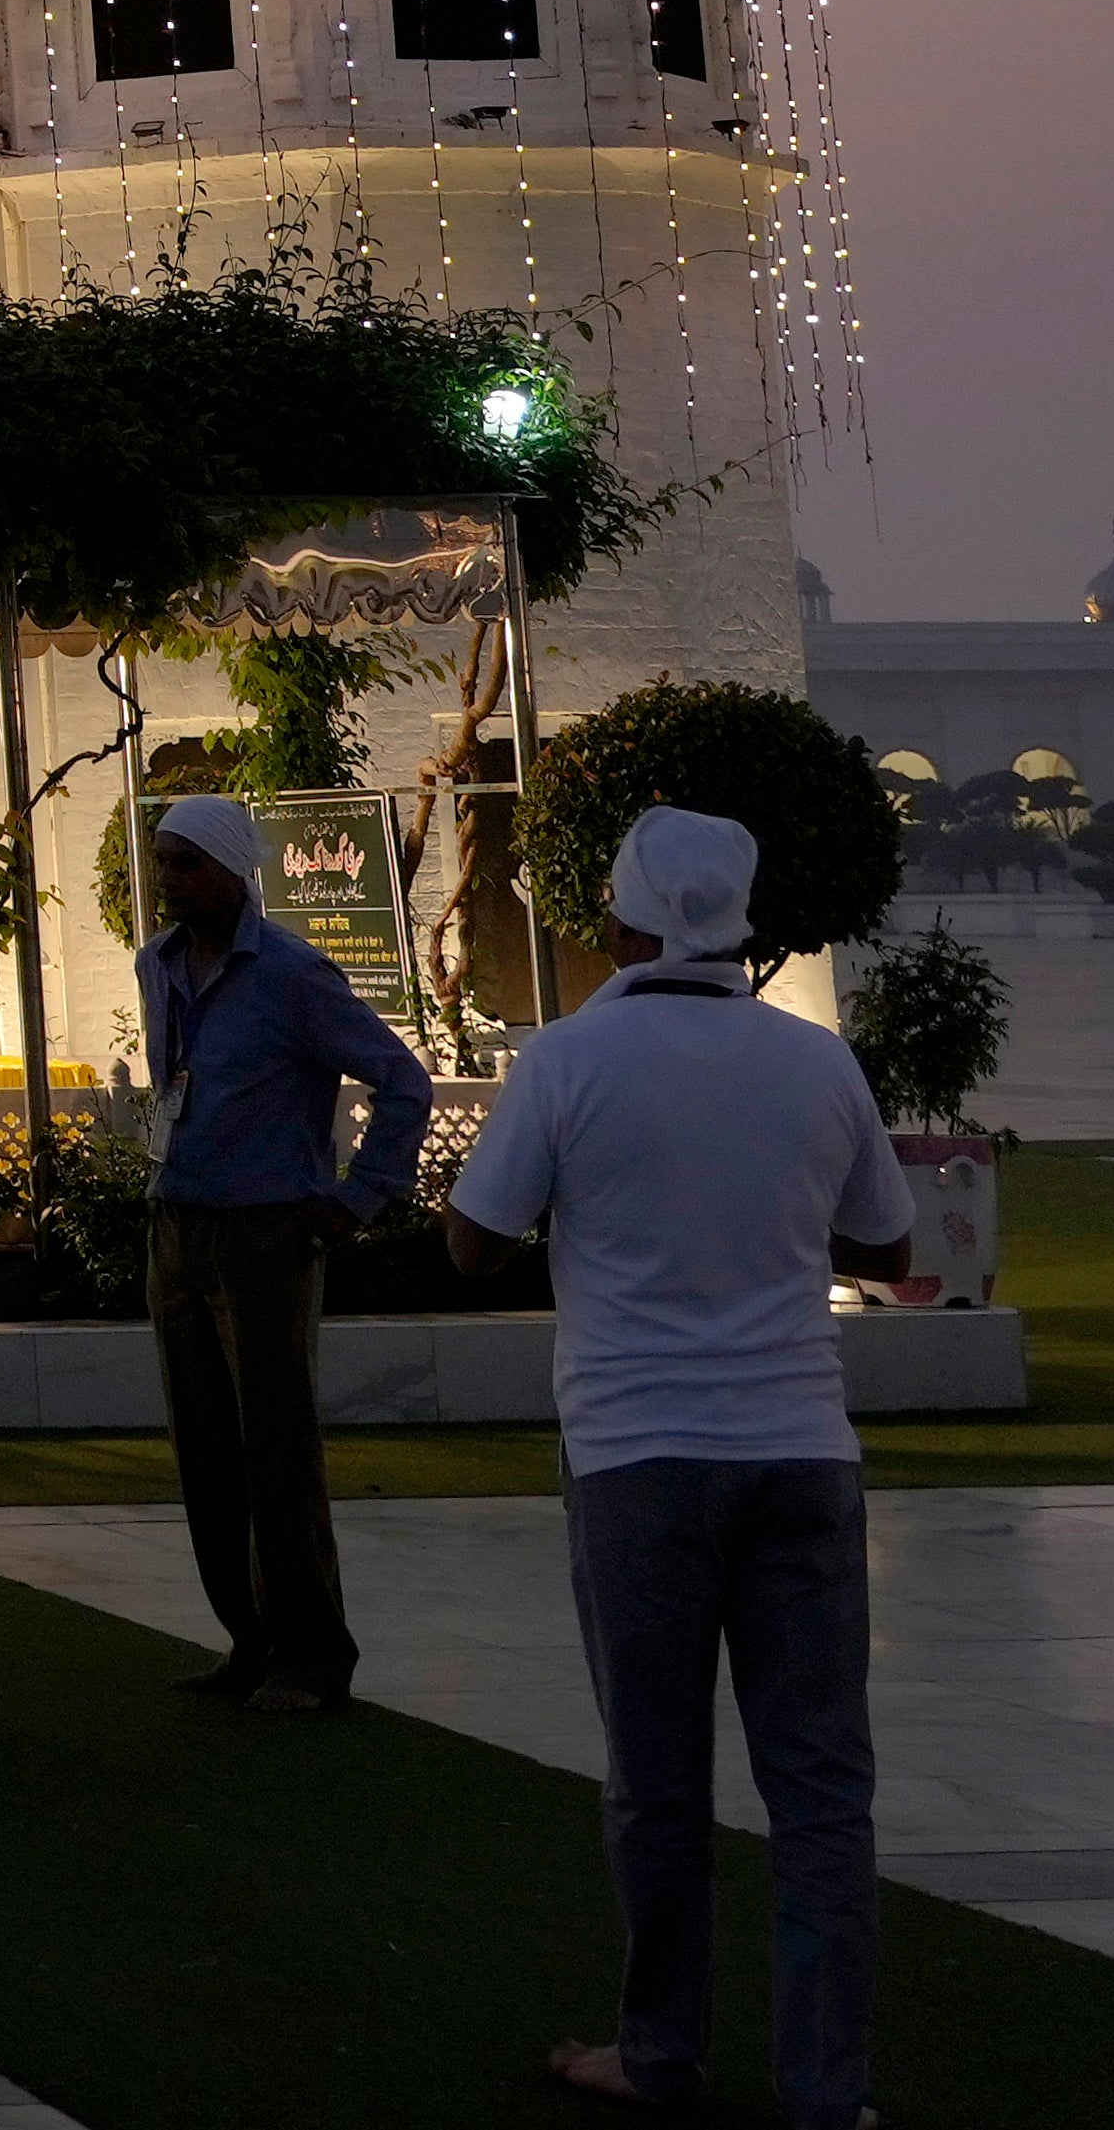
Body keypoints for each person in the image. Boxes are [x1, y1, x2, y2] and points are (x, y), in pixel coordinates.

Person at [453, 803, 919, 2130]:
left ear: (619, 921)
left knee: (656, 1783)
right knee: (820, 1790)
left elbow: (474, 1240)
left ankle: (660, 2053)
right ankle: (826, 2087)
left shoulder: (567, 1058)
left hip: (635, 1455)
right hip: (799, 1450)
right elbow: (887, 1247)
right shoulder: (814, 1061)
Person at [135, 788, 428, 1711]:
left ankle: (310, 1656)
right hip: (177, 1223)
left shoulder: (292, 974)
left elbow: (402, 1081)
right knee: (203, 1450)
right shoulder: (156, 964)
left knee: (275, 1447)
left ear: (232, 871)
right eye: (163, 861)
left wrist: (357, 1199)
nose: (169, 879)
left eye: (186, 863)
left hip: (266, 1231)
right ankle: (249, 1642)